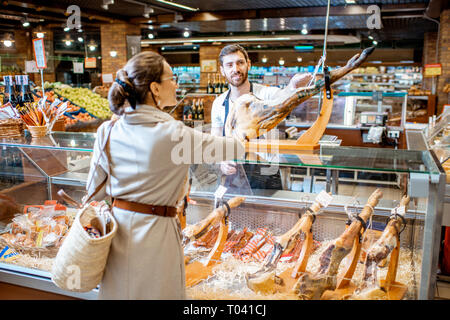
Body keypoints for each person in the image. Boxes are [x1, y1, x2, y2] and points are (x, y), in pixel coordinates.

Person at [86, 51, 244, 299]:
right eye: (172, 78)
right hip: (155, 235)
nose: (177, 84)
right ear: (155, 88)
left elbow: (94, 190)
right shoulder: (174, 134)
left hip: (117, 233)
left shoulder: (107, 129)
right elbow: (234, 147)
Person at [210, 44, 312, 190]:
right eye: (230, 65)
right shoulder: (219, 103)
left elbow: (283, 96)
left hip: (266, 172)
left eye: (240, 63)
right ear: (222, 70)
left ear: (248, 64)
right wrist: (221, 161)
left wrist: (292, 86)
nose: (235, 69)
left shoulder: (266, 94)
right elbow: (216, 140)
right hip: (234, 175)